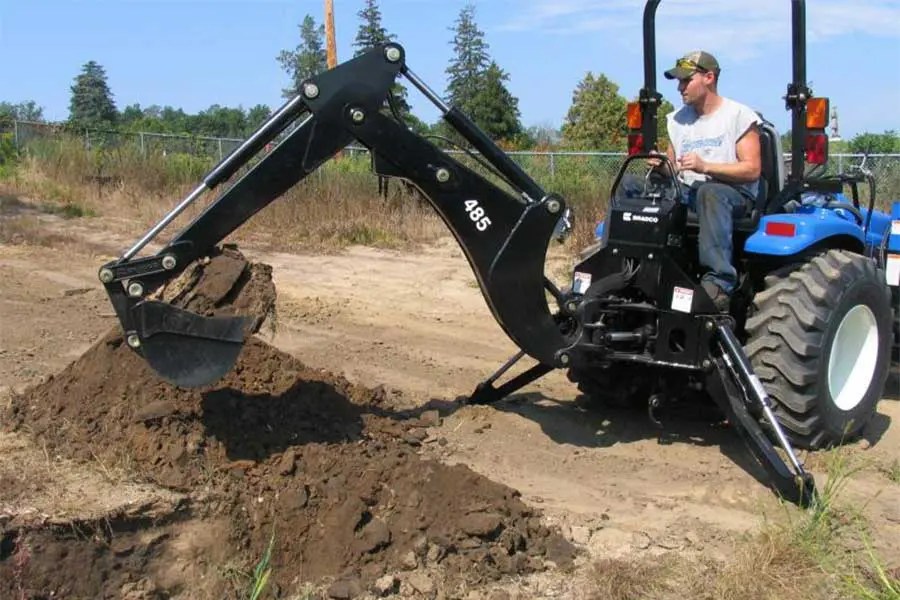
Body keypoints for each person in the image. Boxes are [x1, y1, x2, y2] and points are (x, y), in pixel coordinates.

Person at [659, 51, 762, 311]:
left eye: (686, 81)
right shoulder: (678, 120)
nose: (680, 88)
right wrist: (662, 166)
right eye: (678, 82)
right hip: (689, 192)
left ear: (709, 77)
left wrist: (706, 166)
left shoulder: (738, 116)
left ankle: (719, 283)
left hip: (733, 195)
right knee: (632, 188)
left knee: (709, 191)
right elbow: (673, 165)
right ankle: (634, 266)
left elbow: (752, 170)